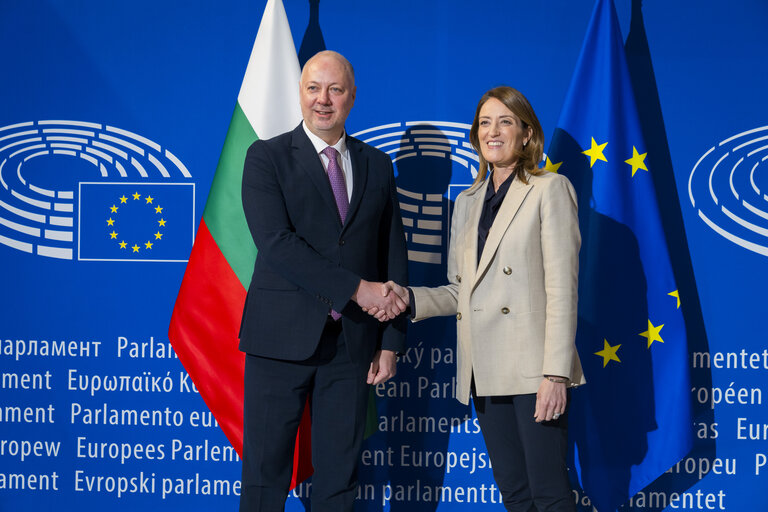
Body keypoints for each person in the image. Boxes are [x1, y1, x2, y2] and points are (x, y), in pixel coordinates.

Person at [371, 86, 584, 511]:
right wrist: (407, 298)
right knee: (515, 494)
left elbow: (563, 289)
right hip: (483, 371)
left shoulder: (549, 189)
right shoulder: (467, 202)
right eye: (485, 123)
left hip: (533, 371)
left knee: (549, 494)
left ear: (527, 134)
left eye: (505, 121)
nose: (493, 131)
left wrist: (556, 374)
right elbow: (459, 290)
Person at [238, 50, 408, 512]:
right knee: (263, 477)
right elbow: (277, 244)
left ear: (352, 96)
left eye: (335, 89)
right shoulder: (266, 158)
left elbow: (391, 252)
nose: (323, 100)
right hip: (279, 342)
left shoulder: (377, 164)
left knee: (339, 481)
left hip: (352, 347)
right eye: (313, 88)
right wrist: (357, 289)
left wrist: (391, 341)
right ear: (299, 94)